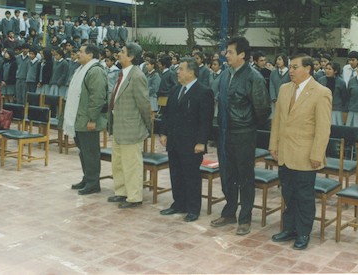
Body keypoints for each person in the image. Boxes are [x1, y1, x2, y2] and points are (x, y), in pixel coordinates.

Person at [269, 54, 331, 250]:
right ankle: (290, 229)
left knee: (304, 196)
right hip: (285, 153)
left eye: (295, 67)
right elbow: (277, 120)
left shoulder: (321, 92)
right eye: (290, 67)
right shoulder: (284, 89)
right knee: (288, 193)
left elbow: (323, 128)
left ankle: (303, 233)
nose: (291, 71)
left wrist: (317, 154)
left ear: (308, 69)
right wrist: (274, 145)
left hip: (306, 155)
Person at [212, 36, 271, 236]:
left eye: (229, 52)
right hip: (224, 133)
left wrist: (246, 123)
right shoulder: (225, 74)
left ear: (242, 55)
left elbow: (262, 109)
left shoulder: (254, 77)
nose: (225, 55)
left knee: (245, 176)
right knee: (227, 175)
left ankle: (245, 218)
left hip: (244, 133)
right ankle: (229, 212)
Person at [159, 57, 214, 222]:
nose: (178, 72)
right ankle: (179, 204)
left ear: (191, 72)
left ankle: (193, 208)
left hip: (192, 143)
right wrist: (163, 133)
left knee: (191, 176)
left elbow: (206, 120)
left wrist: (201, 142)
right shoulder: (176, 90)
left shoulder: (203, 91)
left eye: (181, 69)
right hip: (174, 141)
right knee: (176, 174)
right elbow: (167, 114)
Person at [107, 42, 151, 208]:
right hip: (119, 127)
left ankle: (134, 197)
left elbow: (144, 104)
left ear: (131, 56)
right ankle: (121, 192)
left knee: (131, 164)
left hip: (132, 129)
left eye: (123, 52)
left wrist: (147, 127)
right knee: (118, 163)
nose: (119, 54)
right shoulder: (122, 73)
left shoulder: (137, 76)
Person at [65, 44, 108, 195]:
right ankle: (87, 178)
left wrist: (92, 119)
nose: (78, 54)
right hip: (79, 119)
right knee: (83, 151)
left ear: (90, 56)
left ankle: (93, 182)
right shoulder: (81, 69)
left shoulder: (95, 71)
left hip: (88, 120)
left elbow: (97, 98)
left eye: (81, 52)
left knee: (90, 151)